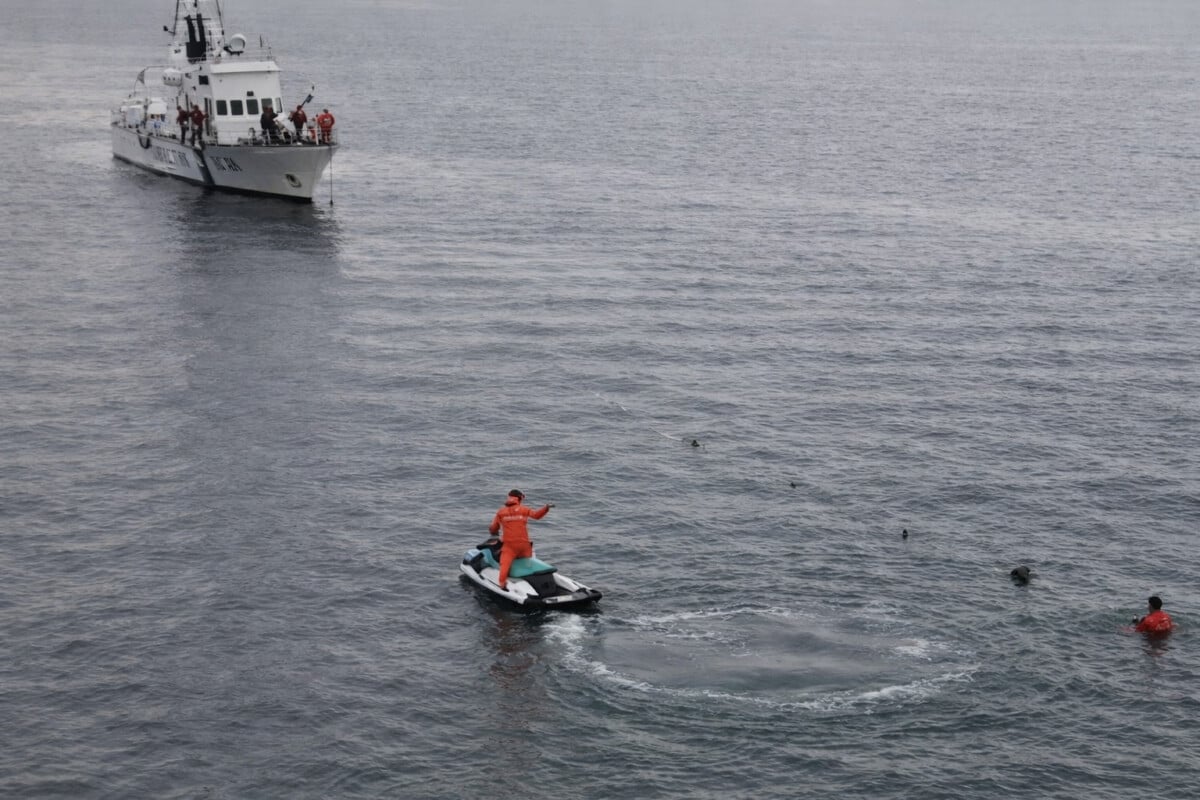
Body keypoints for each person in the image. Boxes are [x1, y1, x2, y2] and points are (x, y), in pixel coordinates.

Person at [488, 489, 553, 590]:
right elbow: (536, 515)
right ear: (520, 498)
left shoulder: (501, 512)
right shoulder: (524, 510)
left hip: (510, 547)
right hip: (524, 546)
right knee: (529, 563)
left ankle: (502, 585)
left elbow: (493, 528)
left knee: (504, 566)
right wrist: (546, 508)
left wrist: (493, 532)